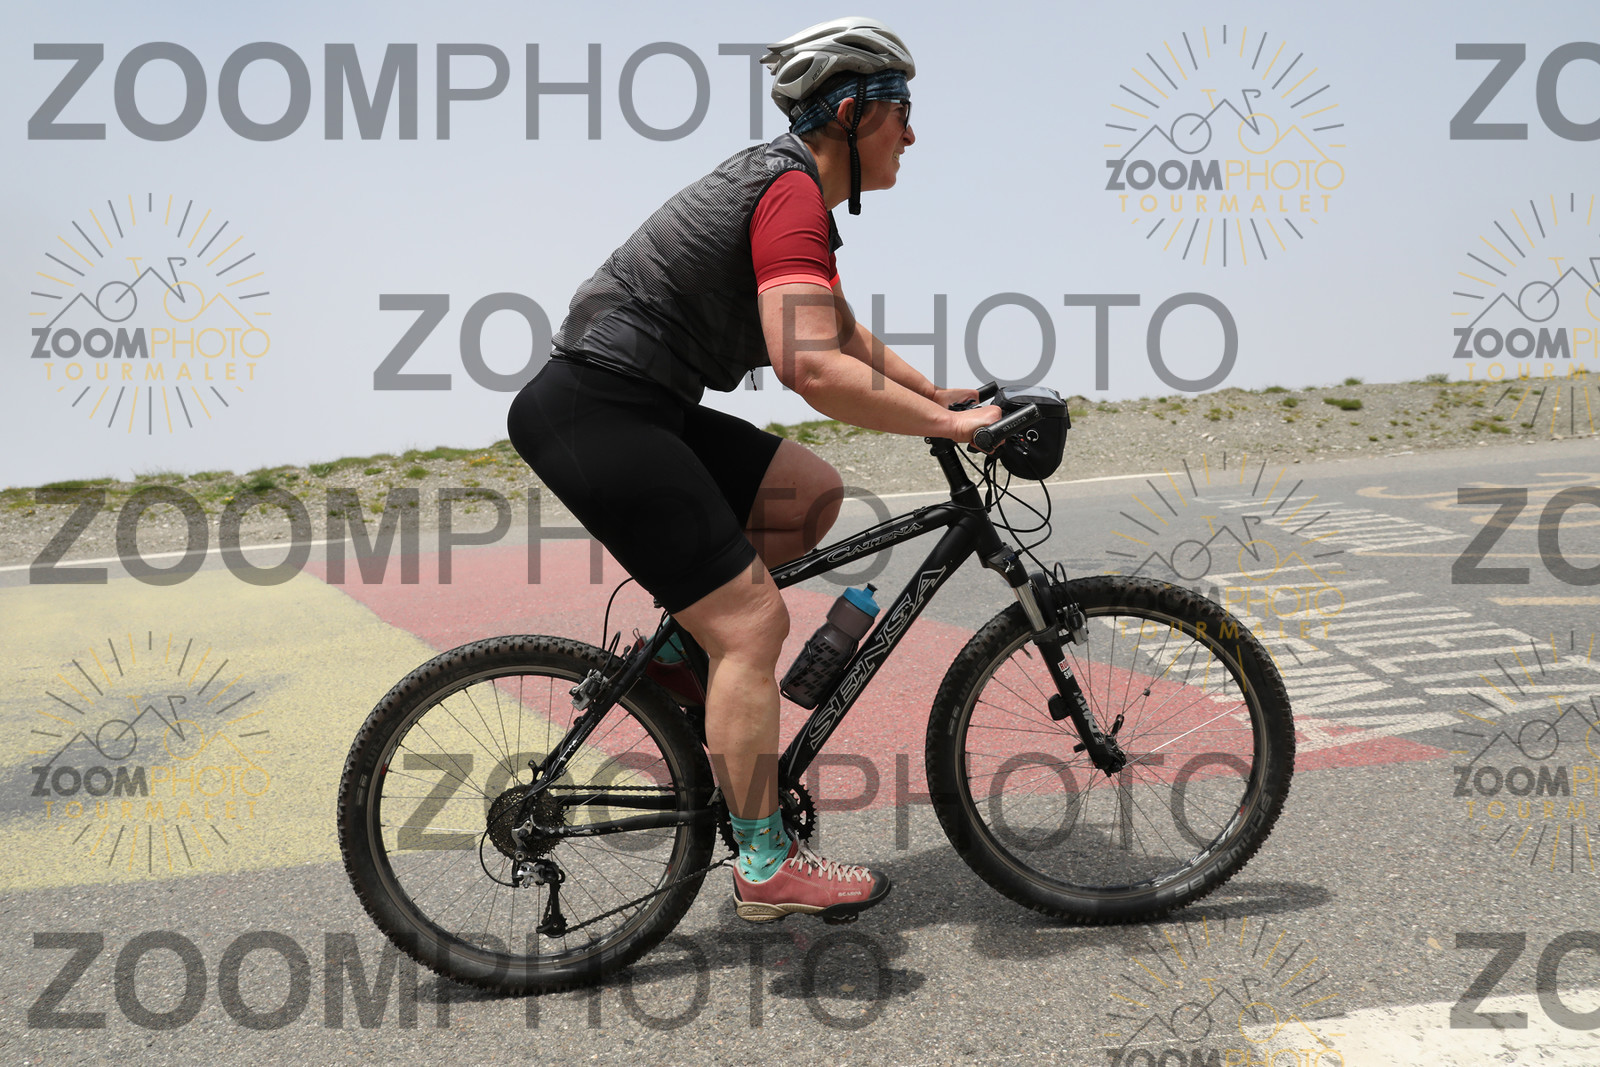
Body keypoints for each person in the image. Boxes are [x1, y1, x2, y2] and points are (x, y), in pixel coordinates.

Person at [507, 16, 1000, 923]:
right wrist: (947, 426)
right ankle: (765, 866)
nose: (913, 133)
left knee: (806, 493)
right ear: (852, 112)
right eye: (902, 111)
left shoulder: (789, 190)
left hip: (636, 405)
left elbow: (837, 328)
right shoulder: (787, 192)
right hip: (597, 410)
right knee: (752, 624)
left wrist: (939, 394)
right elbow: (808, 364)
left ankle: (672, 660)